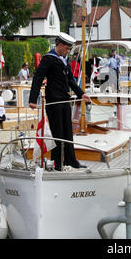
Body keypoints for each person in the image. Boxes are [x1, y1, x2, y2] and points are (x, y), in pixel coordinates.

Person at [29, 32, 91, 171]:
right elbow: (38, 77)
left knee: (68, 131)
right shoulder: (49, 58)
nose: (68, 51)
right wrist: (33, 100)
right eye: (67, 49)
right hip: (54, 100)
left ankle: (71, 160)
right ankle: (57, 162)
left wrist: (81, 94)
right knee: (58, 132)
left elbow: (70, 80)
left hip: (64, 99)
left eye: (69, 49)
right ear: (60, 45)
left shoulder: (64, 60)